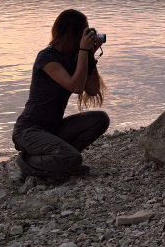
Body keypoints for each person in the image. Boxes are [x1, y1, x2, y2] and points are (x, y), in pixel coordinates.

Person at [12, 9, 110, 177]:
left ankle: (60, 162)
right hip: (29, 130)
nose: (84, 38)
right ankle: (24, 163)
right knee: (73, 158)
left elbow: (92, 90)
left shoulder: (74, 59)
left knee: (100, 119)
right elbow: (76, 87)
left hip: (53, 128)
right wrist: (84, 53)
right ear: (69, 35)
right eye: (83, 33)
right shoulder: (47, 57)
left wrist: (90, 56)